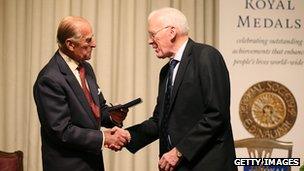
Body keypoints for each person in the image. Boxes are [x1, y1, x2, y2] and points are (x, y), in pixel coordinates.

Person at [124, 7, 237, 171]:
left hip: (206, 164)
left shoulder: (206, 56)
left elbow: (216, 115)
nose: (149, 41)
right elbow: (160, 121)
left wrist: (178, 152)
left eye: (153, 34)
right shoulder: (166, 71)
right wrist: (128, 135)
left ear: (171, 32)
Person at [33, 16, 130, 171]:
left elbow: (96, 109)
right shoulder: (49, 79)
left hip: (92, 163)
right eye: (88, 40)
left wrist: (112, 116)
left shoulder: (86, 68)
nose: (94, 44)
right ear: (70, 44)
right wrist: (104, 138)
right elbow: (62, 130)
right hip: (68, 165)